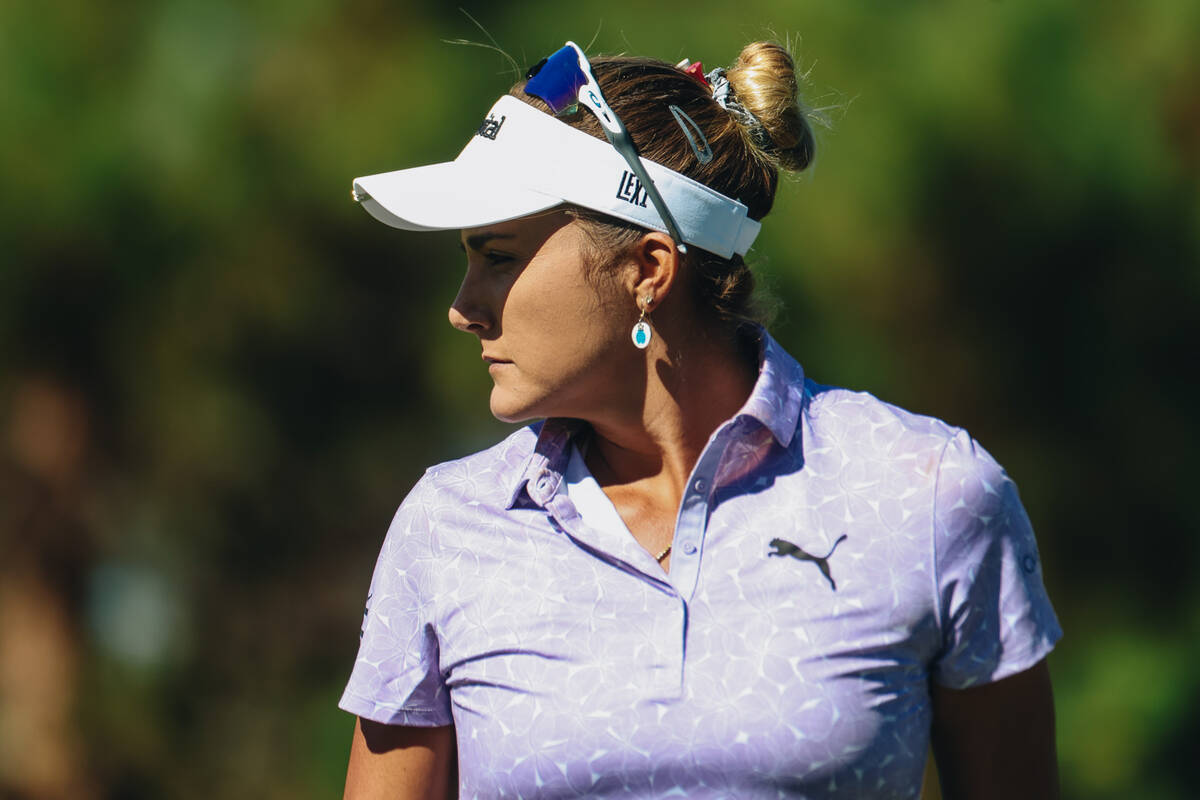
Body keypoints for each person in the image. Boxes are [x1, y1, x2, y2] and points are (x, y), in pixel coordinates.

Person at [338, 38, 1062, 800]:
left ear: (648, 270)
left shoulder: (933, 495)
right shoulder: (449, 529)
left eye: (498, 257)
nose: (463, 309)